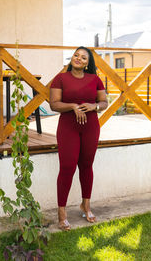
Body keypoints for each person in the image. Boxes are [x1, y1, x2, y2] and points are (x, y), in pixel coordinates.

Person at [49, 46, 108, 230]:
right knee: (67, 167)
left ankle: (86, 205)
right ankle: (62, 211)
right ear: (72, 58)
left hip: (90, 127)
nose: (79, 59)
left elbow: (104, 102)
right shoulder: (61, 78)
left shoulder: (95, 79)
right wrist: (73, 106)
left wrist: (94, 107)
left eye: (83, 57)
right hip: (68, 128)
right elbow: (54, 104)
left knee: (86, 166)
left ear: (88, 63)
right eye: (76, 55)